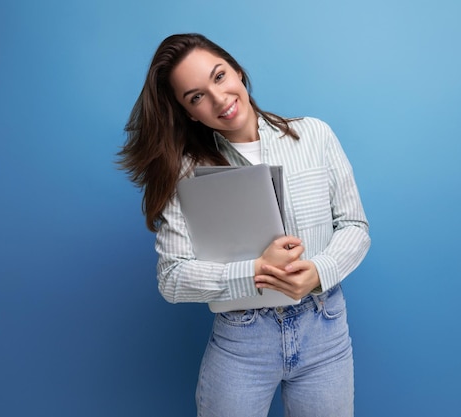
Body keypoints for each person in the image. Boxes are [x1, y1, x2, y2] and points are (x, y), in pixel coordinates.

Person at [118, 33, 371, 417]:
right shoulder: (185, 173)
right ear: (188, 112)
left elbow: (354, 225)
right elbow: (172, 277)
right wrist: (255, 272)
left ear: (237, 71)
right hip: (243, 340)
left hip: (325, 330)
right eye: (196, 96)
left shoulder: (314, 135)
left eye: (219, 77)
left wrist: (319, 271)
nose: (219, 99)